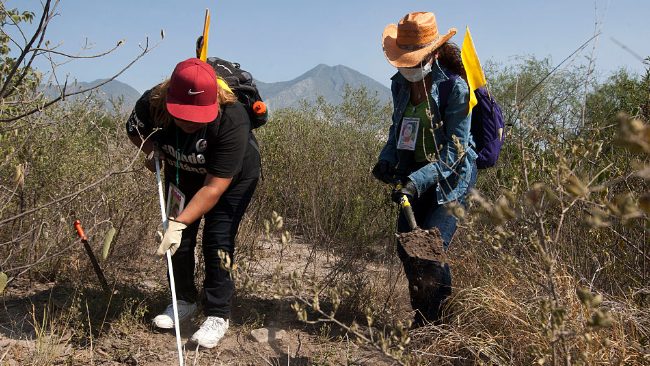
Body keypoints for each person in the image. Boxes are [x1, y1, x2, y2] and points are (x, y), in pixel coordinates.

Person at [126, 58, 261, 348]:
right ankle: (183, 300)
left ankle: (217, 314)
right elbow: (133, 130)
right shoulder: (151, 104)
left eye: (197, 116)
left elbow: (213, 188)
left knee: (217, 238)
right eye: (182, 114)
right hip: (180, 172)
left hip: (230, 181)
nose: (189, 122)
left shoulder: (233, 118)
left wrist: (180, 221)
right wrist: (151, 153)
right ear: (168, 100)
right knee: (179, 240)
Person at [372, 12, 478, 326]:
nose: (405, 67)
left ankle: (434, 324)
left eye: (412, 59)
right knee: (408, 247)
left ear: (432, 54)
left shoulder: (456, 89)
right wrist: (386, 160)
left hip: (451, 179)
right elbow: (397, 129)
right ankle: (424, 316)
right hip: (414, 172)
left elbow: (455, 151)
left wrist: (416, 182)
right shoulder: (399, 85)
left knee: (430, 247)